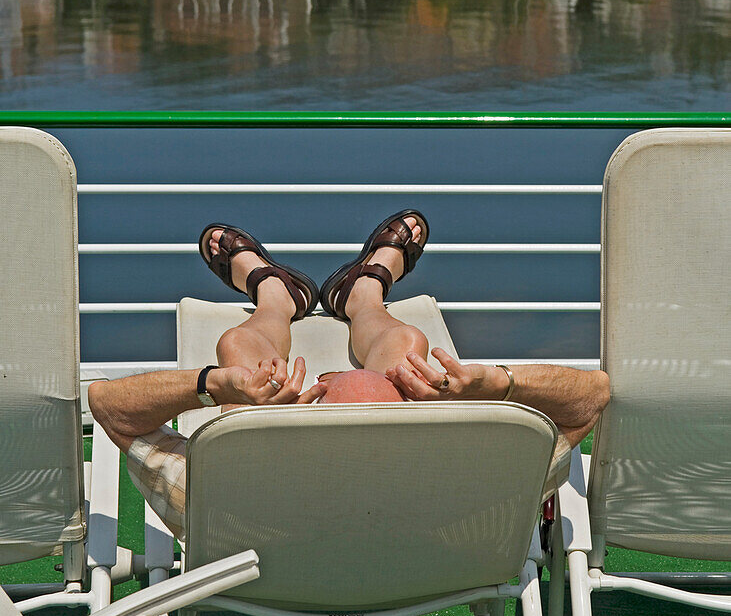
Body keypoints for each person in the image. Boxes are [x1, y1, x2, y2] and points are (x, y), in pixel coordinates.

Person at [89, 211, 610, 541]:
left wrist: (217, 387)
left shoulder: (220, 507)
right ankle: (364, 295)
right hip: (421, 553)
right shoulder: (464, 507)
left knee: (244, 359)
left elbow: (109, 404)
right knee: (405, 354)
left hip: (258, 550)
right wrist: (497, 386)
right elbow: (593, 396)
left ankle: (273, 294)